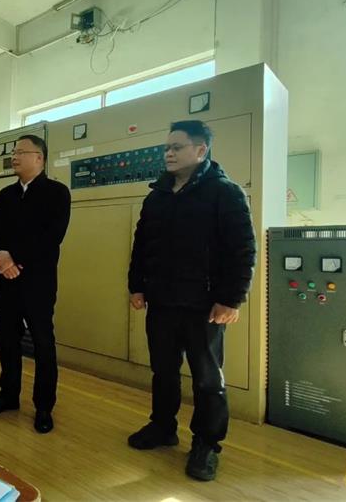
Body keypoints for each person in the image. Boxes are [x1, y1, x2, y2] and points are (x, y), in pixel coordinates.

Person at [127, 120, 256, 481]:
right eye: (166, 148)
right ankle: (163, 426)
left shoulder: (225, 193)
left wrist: (232, 299)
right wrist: (137, 286)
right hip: (162, 301)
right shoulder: (157, 195)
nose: (168, 153)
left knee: (207, 380)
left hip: (205, 305)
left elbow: (243, 250)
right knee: (163, 371)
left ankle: (207, 444)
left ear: (201, 150)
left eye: (177, 147)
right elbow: (142, 245)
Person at [0, 134, 71, 434]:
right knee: (7, 340)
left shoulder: (57, 193)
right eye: (13, 152)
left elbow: (52, 236)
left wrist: (14, 258)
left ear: (39, 158)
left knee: (43, 343)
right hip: (6, 281)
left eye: (21, 152)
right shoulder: (5, 195)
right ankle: (8, 395)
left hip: (38, 282)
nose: (14, 157)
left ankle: (44, 406)